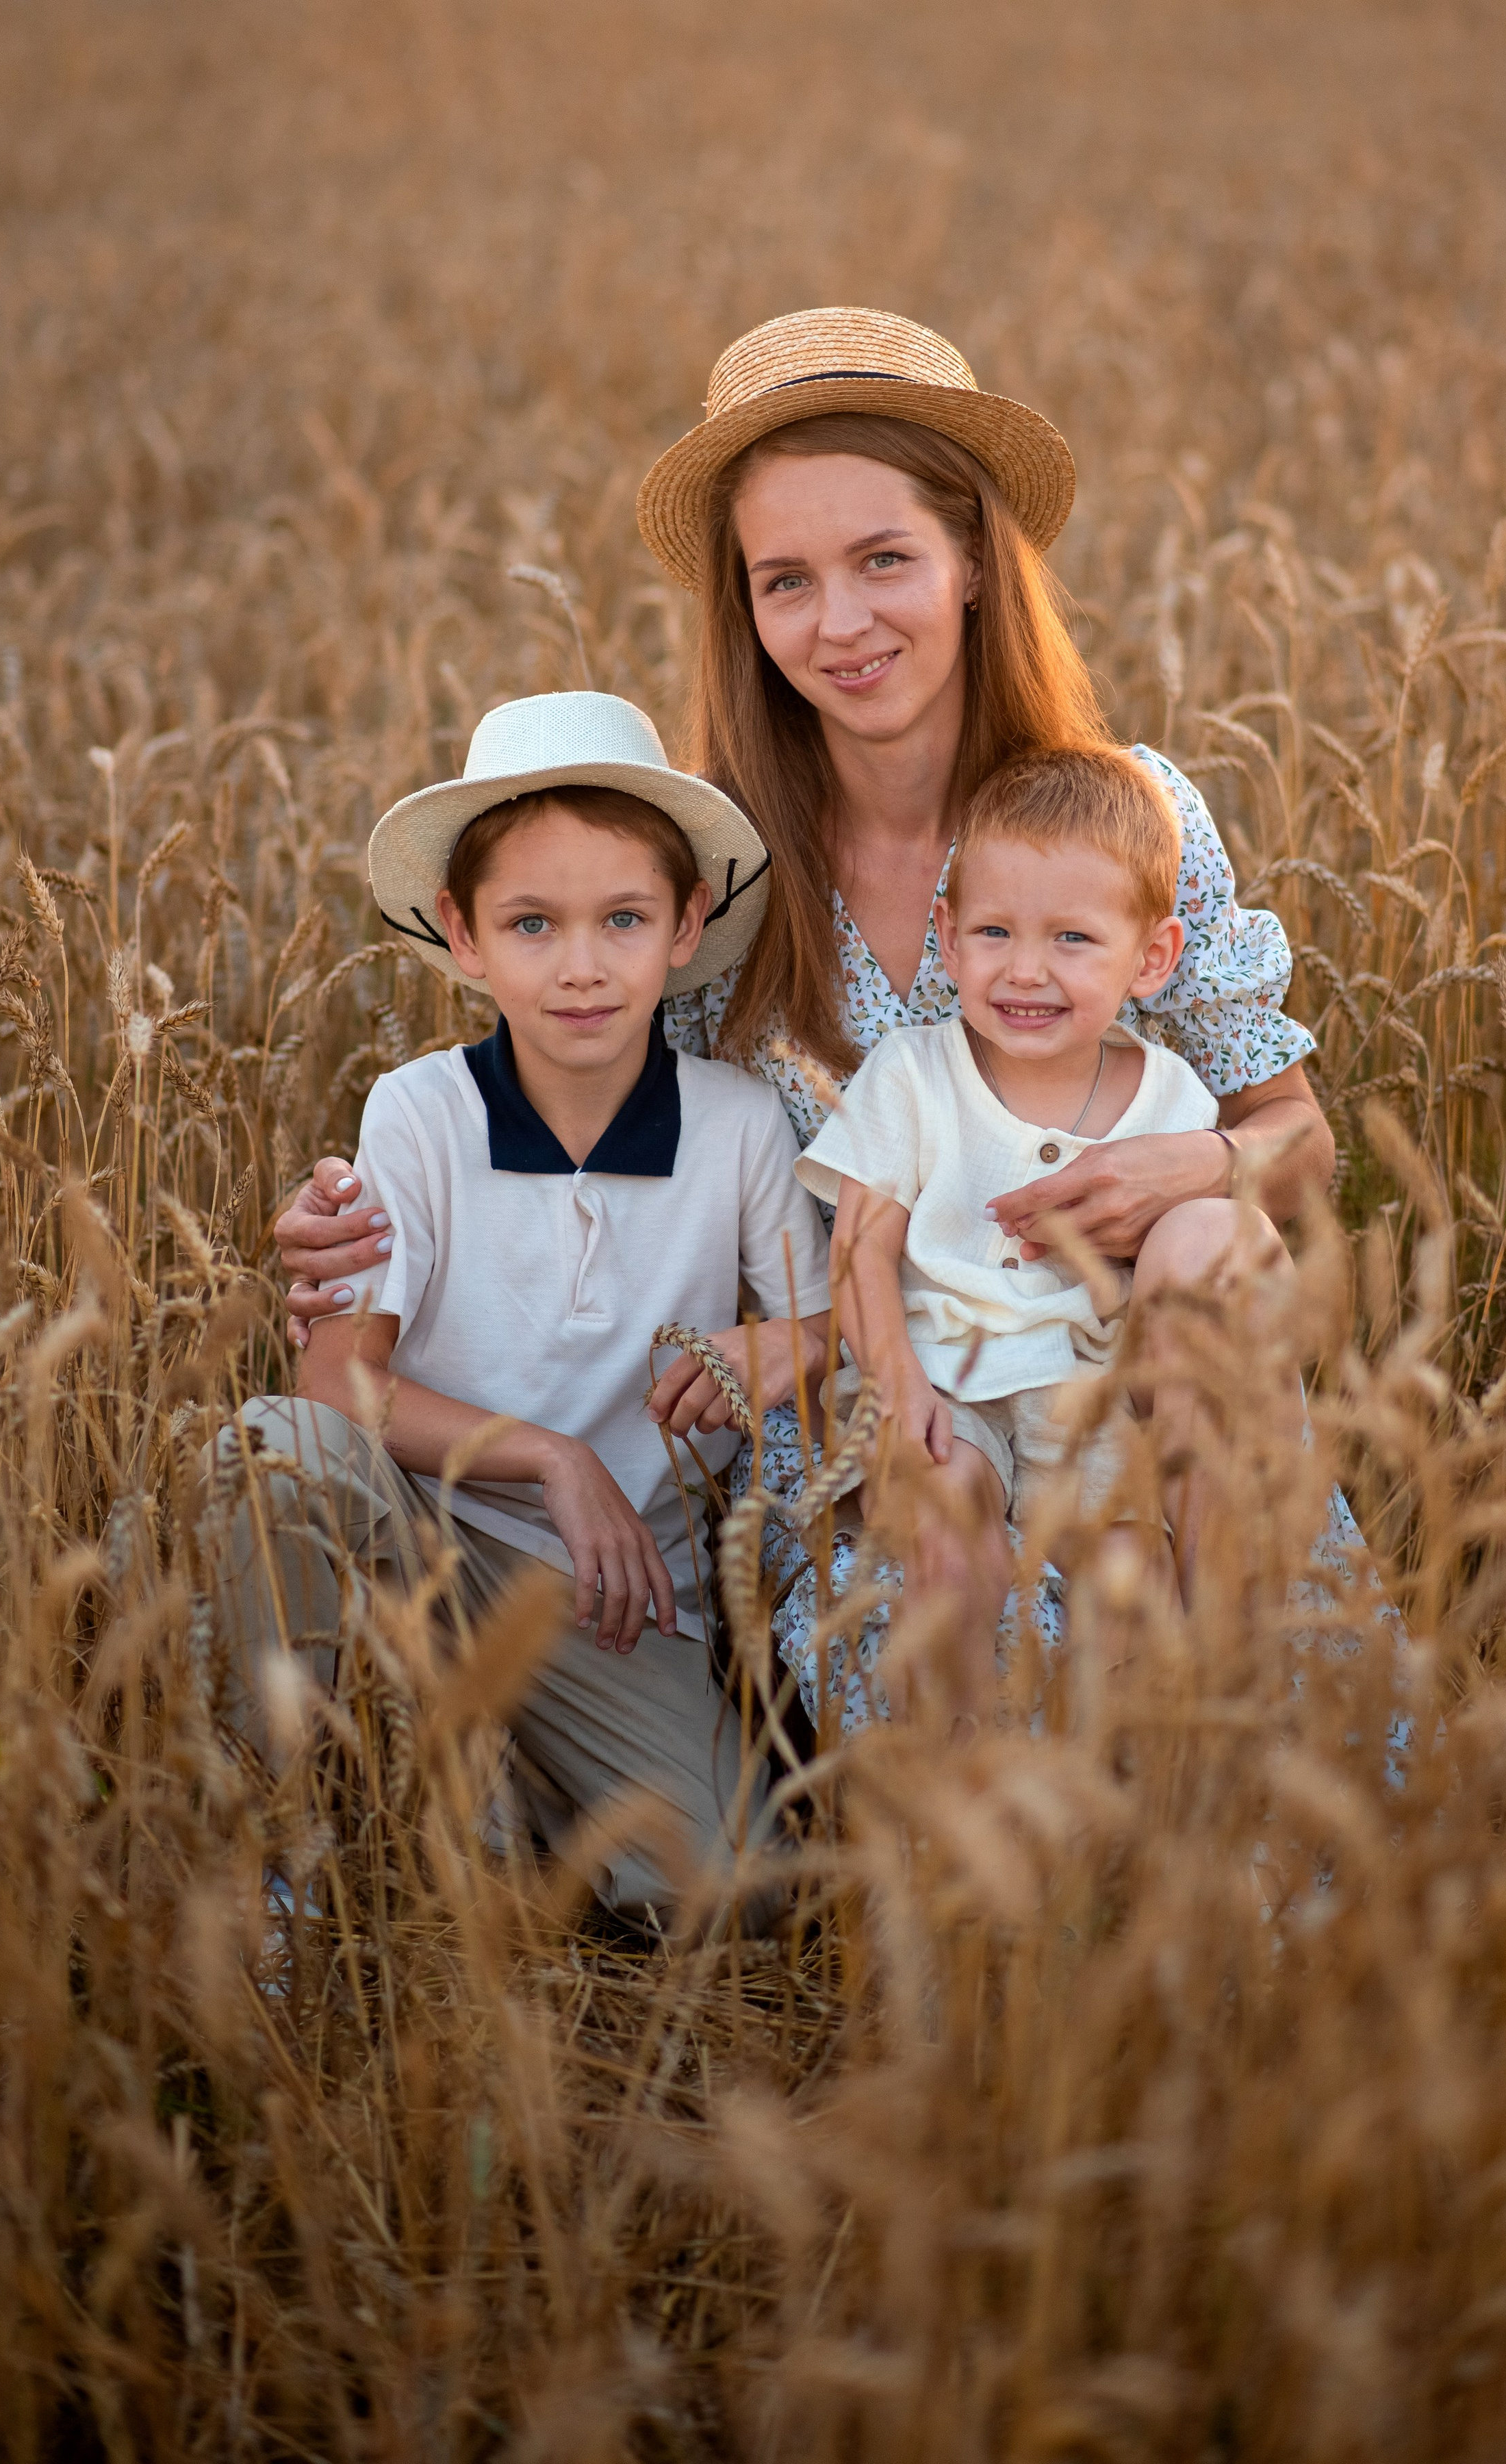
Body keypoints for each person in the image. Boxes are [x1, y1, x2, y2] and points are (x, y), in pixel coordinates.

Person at [276, 307, 1362, 1732]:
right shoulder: (724, 882)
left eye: (883, 560)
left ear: (972, 559)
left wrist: (1201, 1165)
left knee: (1212, 1252)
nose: (839, 622)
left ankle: (1239, 1745)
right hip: (889, 1430)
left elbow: (1293, 1135)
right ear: (745, 609)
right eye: (786, 580)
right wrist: (366, 1238)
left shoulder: (1121, 817)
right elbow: (622, 1168)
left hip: (1131, 1383)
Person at [214, 689, 832, 1918]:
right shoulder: (422, 1110)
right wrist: (551, 1456)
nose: (583, 967)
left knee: (734, 1894)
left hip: (610, 1602)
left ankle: (493, 1792)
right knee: (278, 1452)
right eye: (533, 924)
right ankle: (282, 1846)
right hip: (422, 1537)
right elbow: (335, 1385)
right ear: (464, 934)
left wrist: (777, 1340)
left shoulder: (740, 1126)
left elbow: (824, 1333)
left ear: (686, 923)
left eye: (624, 920)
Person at [800, 746, 1288, 1686]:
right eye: (994, 933)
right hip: (942, 1384)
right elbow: (861, 1245)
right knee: (949, 1552)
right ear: (947, 937)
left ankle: (1137, 1794)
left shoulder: (1173, 1100)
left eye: (1072, 940)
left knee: (1128, 1594)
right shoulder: (913, 1072)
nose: (1026, 972)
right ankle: (966, 1797)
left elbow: (1163, 1277)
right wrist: (895, 1385)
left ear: (1152, 959)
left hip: (1088, 1397)